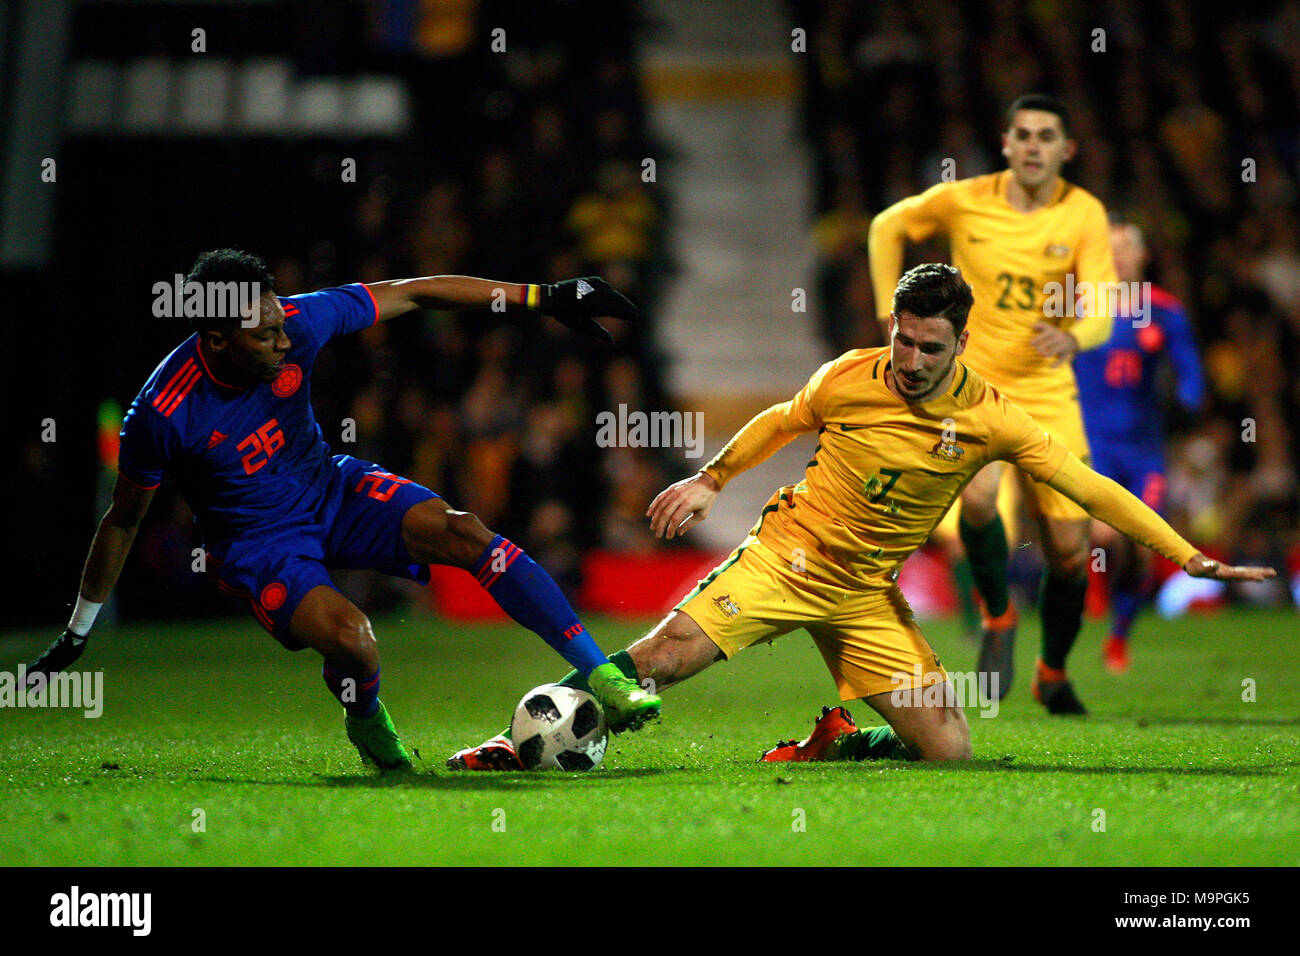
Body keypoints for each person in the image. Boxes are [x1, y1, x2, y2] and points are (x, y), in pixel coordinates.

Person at [448, 263, 1272, 769]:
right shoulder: (853, 374)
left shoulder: (994, 417)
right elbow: (782, 418)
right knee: (660, 658)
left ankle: (840, 738)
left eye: (928, 347)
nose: (908, 361)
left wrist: (1186, 554)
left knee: (949, 751)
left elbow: (1091, 488)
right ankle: (512, 740)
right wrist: (712, 477)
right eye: (902, 339)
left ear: (962, 342)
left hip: (866, 592)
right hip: (788, 556)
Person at [22, 249, 660, 771]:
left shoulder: (297, 320)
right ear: (215, 339)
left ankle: (599, 673)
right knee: (356, 643)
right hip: (260, 544)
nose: (283, 337)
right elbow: (124, 520)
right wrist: (79, 629)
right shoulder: (161, 414)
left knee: (464, 533)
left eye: (280, 320)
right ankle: (367, 722)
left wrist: (541, 297)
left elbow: (415, 292)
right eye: (264, 333)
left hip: (331, 487)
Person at [868, 93, 1118, 713]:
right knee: (978, 501)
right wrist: (887, 315)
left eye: (1046, 136)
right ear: (1006, 144)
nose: (1034, 145)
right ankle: (999, 617)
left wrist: (1074, 334)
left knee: (1068, 552)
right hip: (971, 388)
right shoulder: (964, 198)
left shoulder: (1083, 214)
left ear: (1067, 150)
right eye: (1023, 135)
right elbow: (885, 226)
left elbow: (1106, 306)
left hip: (1048, 391)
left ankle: (1052, 671)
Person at [1074, 220, 1206, 673]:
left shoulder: (1164, 310)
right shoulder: (1074, 308)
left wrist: (1189, 398)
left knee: (1141, 545)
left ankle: (1118, 635)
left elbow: (1191, 370)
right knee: (1105, 533)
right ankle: (1092, 588)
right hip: (1094, 447)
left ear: (1142, 256)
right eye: (1109, 247)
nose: (1119, 255)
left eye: (1127, 247)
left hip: (1145, 449)